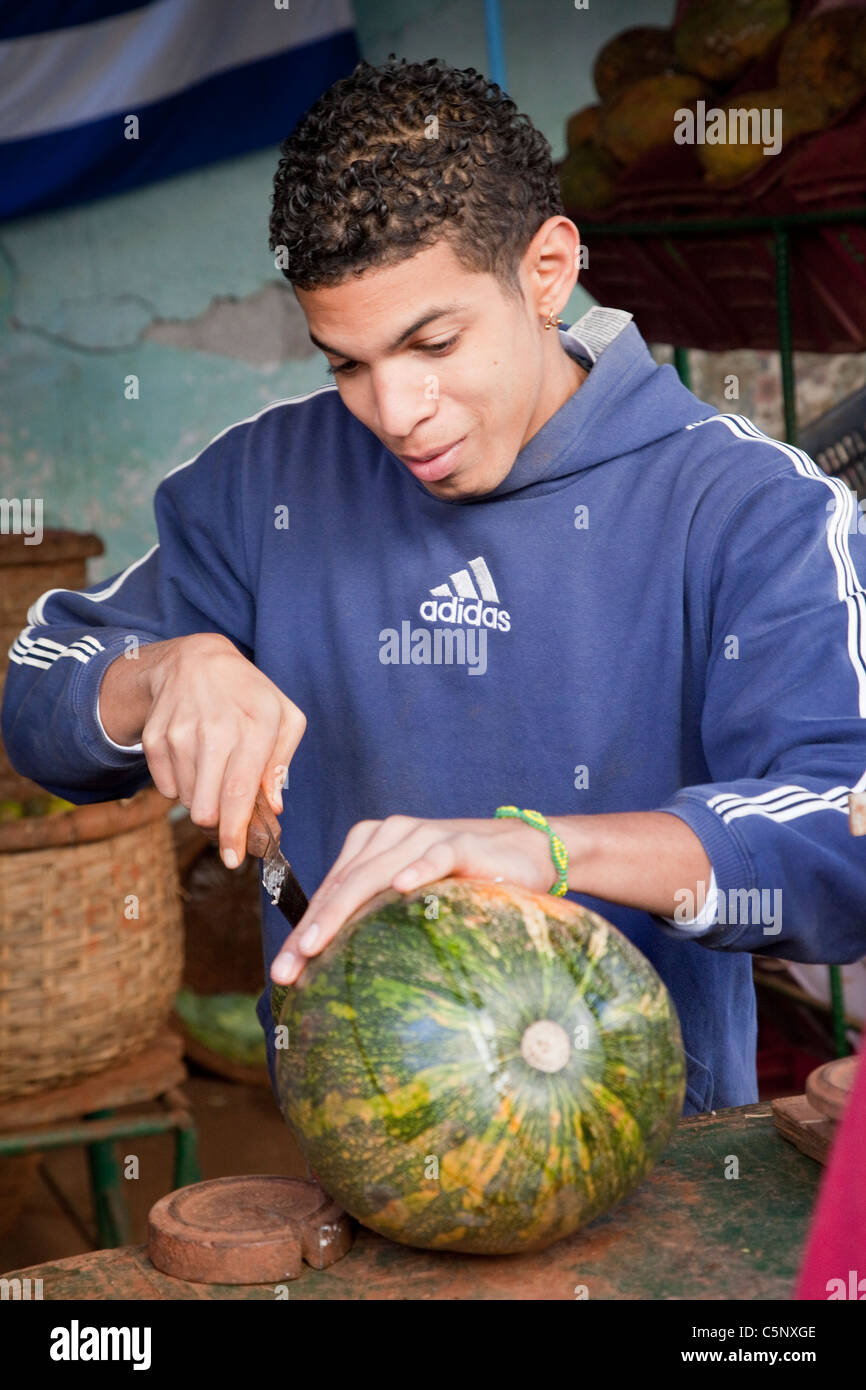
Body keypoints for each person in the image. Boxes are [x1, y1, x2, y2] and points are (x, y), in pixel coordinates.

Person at [4, 57, 866, 1114]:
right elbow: (38, 696)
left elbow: (840, 833)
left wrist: (545, 850)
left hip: (656, 1164)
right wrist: (162, 673)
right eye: (345, 363)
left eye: (433, 343)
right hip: (354, 1156)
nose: (396, 410)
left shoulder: (746, 506)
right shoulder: (264, 483)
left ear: (546, 269)